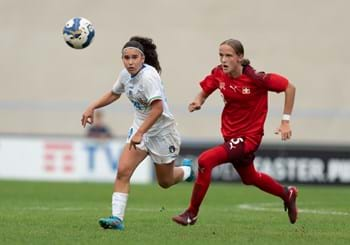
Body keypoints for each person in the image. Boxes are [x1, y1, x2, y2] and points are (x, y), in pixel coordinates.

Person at [172, 38, 297, 226]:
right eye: (221, 55)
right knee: (249, 178)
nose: (223, 60)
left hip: (248, 138)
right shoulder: (219, 74)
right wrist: (199, 100)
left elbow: (289, 87)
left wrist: (285, 122)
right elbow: (205, 90)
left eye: (228, 55)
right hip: (231, 136)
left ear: (240, 57)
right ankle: (287, 194)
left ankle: (191, 213)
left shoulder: (257, 79)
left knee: (206, 161)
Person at [81, 36, 194, 230]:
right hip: (140, 129)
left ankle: (187, 171)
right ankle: (117, 219)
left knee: (165, 182)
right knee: (123, 171)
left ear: (142, 59)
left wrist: (141, 132)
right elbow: (115, 93)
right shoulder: (125, 75)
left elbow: (157, 109)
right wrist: (92, 106)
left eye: (134, 57)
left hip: (162, 133)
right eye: (126, 58)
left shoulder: (149, 77)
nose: (130, 62)